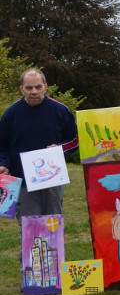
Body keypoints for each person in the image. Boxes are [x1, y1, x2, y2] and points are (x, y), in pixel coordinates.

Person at [0, 68, 78, 219]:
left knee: (52, 224)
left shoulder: (60, 110)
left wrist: (60, 149)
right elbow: (2, 144)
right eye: (29, 88)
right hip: (22, 180)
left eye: (38, 87)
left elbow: (75, 139)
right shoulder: (11, 113)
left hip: (53, 179)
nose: (34, 91)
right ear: (21, 89)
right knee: (29, 226)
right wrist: (4, 163)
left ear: (46, 86)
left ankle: (53, 245)